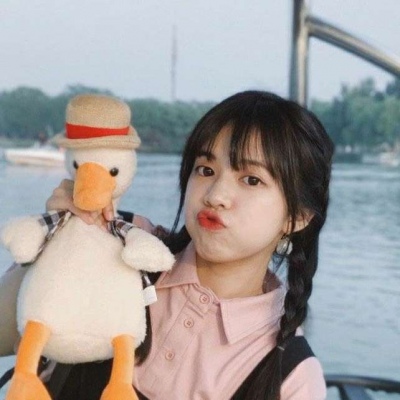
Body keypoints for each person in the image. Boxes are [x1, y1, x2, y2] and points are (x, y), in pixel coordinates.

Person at [0, 90, 334, 399]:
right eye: (205, 170)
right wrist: (57, 244)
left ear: (297, 217)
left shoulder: (292, 375)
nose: (216, 195)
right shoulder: (121, 243)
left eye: (251, 180)